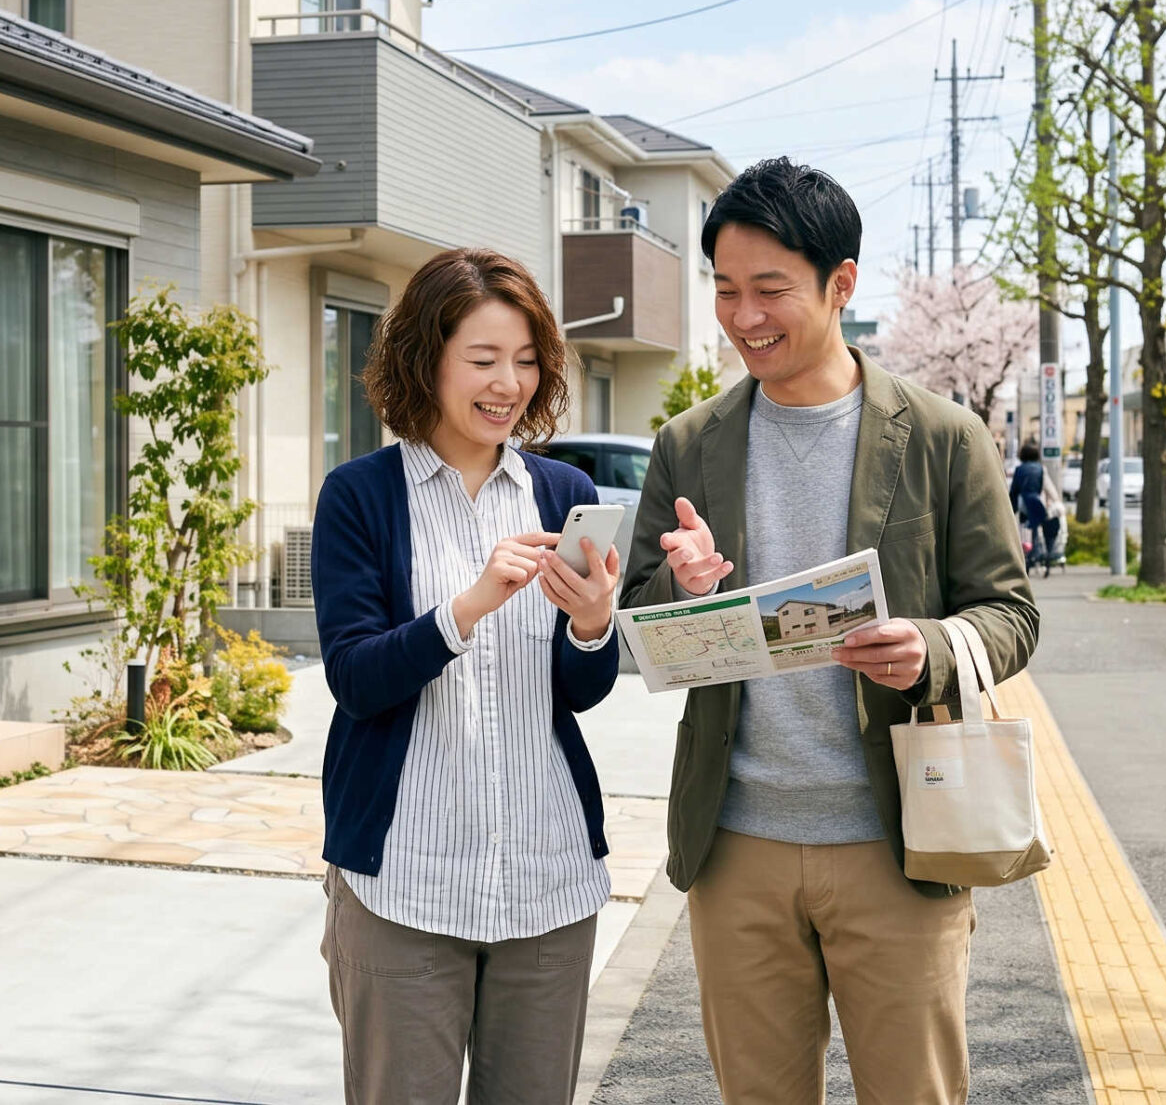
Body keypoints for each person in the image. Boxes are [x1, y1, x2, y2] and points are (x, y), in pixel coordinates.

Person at [621, 157, 1040, 1104]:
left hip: (899, 838)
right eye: (726, 289)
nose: (744, 317)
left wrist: (931, 649)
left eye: (770, 289)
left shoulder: (942, 436)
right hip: (736, 842)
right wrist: (679, 588)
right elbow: (639, 627)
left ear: (840, 283)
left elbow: (1010, 612)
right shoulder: (689, 443)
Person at [310, 247, 625, 1103]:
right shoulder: (360, 495)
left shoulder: (562, 491)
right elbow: (356, 677)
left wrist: (592, 625)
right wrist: (468, 606)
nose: (508, 384)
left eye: (525, 360)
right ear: (427, 359)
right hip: (404, 883)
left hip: (547, 882)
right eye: (483, 359)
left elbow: (579, 691)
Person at [1011, 443, 1057, 565]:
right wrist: (1055, 500)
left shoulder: (1019, 469)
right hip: (1038, 503)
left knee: (1025, 527)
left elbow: (1014, 490)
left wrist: (1012, 509)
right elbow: (1048, 487)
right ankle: (1043, 552)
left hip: (1024, 504)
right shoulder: (1041, 469)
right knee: (1041, 524)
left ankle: (1029, 553)